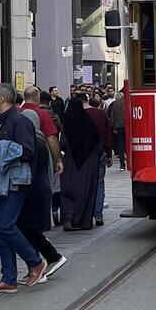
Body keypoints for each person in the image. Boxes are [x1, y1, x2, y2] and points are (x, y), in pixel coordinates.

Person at [0, 83, 46, 294]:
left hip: (14, 182)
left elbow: (28, 151)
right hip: (2, 181)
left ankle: (35, 261)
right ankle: (8, 277)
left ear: (1, 99)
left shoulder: (19, 121)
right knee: (2, 230)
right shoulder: (6, 121)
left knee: (5, 226)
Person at [17, 109, 67, 281]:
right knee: (29, 229)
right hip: (40, 189)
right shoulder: (40, 139)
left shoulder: (33, 142)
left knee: (27, 228)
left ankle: (41, 264)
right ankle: (47, 260)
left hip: (33, 190)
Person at [60, 92, 102, 231]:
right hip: (88, 162)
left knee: (68, 188)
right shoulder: (88, 124)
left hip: (71, 161)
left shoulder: (67, 123)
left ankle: (68, 217)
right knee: (85, 190)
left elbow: (63, 144)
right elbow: (97, 143)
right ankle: (83, 220)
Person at [83, 90, 113, 226]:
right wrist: (109, 154)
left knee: (84, 183)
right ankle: (98, 213)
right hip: (100, 151)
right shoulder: (101, 114)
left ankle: (86, 214)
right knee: (99, 183)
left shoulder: (78, 114)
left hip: (83, 153)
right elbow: (108, 135)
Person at [109, 89, 126, 170]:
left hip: (119, 126)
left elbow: (112, 116)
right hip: (127, 126)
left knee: (121, 145)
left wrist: (113, 127)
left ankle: (122, 164)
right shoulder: (127, 102)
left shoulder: (115, 103)